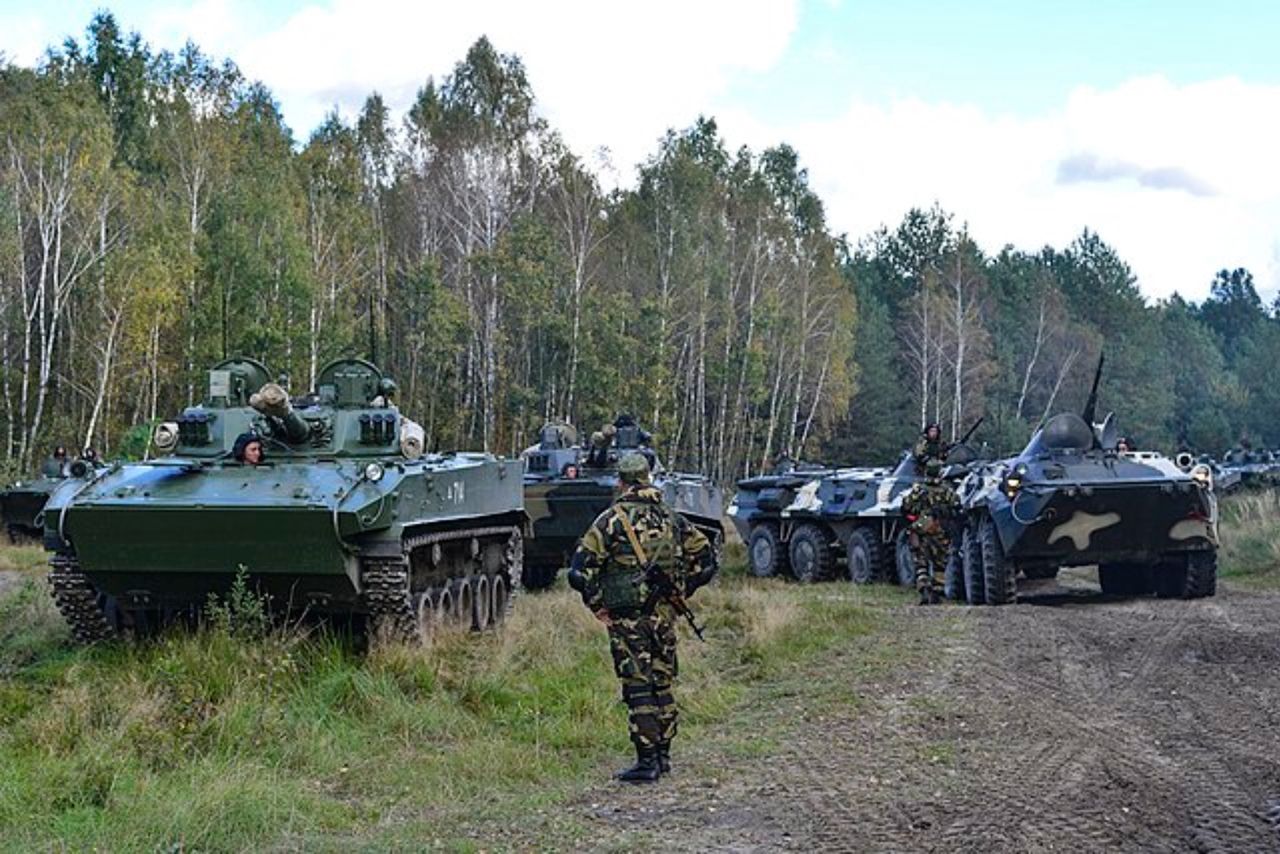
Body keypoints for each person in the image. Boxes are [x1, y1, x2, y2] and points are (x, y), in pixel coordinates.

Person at [567, 453, 718, 783]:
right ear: (648, 479)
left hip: (628, 620)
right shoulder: (671, 517)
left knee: (638, 687)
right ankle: (663, 756)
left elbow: (578, 572)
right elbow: (706, 560)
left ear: (621, 482)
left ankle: (646, 761)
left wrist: (596, 605)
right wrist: (682, 592)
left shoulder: (611, 520)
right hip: (665, 617)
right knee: (662, 683)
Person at [901, 459, 959, 605]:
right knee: (940, 563)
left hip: (920, 528)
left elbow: (906, 506)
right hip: (940, 530)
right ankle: (936, 594)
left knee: (921, 563)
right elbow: (957, 506)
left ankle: (924, 590)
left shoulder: (919, 489)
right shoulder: (946, 490)